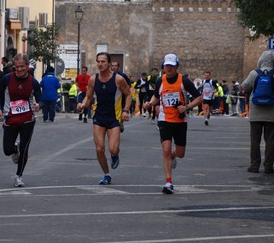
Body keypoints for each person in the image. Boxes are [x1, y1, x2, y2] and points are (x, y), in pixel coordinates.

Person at [145, 53, 202, 194]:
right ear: (163, 67)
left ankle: (173, 155)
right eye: (166, 66)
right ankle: (168, 182)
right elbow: (157, 97)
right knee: (165, 149)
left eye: (171, 66)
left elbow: (199, 98)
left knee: (180, 153)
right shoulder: (160, 81)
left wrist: (187, 107)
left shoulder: (184, 81)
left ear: (177, 66)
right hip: (164, 119)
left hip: (180, 120)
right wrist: (150, 103)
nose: (169, 68)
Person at [77, 52, 131, 185]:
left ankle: (114, 155)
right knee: (99, 148)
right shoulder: (93, 80)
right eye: (98, 61)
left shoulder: (118, 79)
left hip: (114, 118)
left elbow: (128, 95)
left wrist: (125, 110)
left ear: (109, 63)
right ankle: (106, 174)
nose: (100, 64)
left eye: (103, 61)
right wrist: (83, 104)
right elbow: (89, 97)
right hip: (99, 117)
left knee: (113, 149)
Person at [0, 53, 41, 187]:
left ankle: (18, 176)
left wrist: (39, 105)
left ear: (27, 66)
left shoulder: (33, 82)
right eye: (16, 67)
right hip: (10, 117)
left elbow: (40, 96)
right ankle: (15, 150)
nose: (19, 69)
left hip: (28, 118)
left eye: (22, 66)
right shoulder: (7, 79)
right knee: (7, 149)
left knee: (24, 147)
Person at [241, 50, 274, 174]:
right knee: (270, 140)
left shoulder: (253, 74)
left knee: (255, 140)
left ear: (260, 61)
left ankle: (254, 166)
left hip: (255, 113)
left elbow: (244, 86)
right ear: (273, 62)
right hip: (271, 112)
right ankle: (268, 167)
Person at [111, 60, 131, 132]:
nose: (113, 67)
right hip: (112, 96)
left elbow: (128, 85)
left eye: (115, 66)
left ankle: (120, 122)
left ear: (118, 67)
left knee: (122, 108)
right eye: (112, 66)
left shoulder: (122, 76)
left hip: (122, 96)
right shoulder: (108, 76)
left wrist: (124, 90)